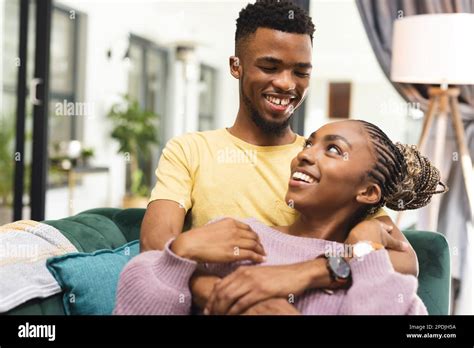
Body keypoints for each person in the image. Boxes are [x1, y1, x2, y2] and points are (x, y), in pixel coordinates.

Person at [139, 0, 419, 313]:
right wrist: (232, 298)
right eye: (269, 67)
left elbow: (401, 260)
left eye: (301, 72)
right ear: (236, 66)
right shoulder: (190, 150)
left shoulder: (322, 168)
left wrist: (305, 273)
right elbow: (155, 248)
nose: (286, 84)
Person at [114, 120, 447, 315]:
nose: (304, 154)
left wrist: (364, 248)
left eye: (333, 150)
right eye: (310, 144)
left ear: (368, 194)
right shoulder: (236, 238)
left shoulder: (376, 270)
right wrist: (180, 254)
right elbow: (136, 303)